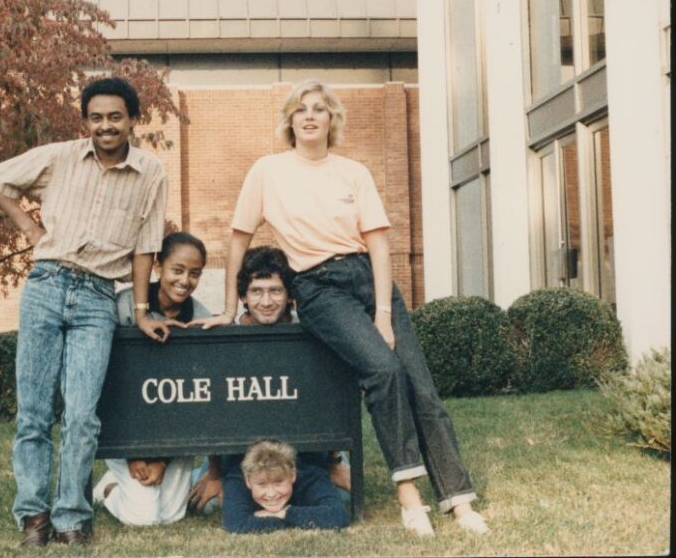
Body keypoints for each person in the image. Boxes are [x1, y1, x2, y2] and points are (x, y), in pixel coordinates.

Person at [196, 80, 489, 536]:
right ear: (290, 121)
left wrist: (384, 314)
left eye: (319, 109)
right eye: (301, 110)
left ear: (332, 120)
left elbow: (377, 243)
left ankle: (459, 501)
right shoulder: (267, 171)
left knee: (422, 390)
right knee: (383, 372)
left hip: (371, 283)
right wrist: (229, 305)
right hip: (318, 287)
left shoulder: (353, 171)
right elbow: (238, 238)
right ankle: (410, 498)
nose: (310, 116)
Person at [0, 77, 173, 547]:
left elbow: (147, 248)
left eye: (115, 117)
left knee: (82, 414)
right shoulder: (61, 155)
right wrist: (28, 227)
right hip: (46, 284)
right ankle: (33, 514)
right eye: (95, 117)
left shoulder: (151, 172)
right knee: (33, 411)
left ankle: (71, 515)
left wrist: (144, 310)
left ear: (132, 119)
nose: (105, 126)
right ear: (85, 120)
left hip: (97, 297)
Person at [188, 246, 351, 514]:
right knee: (213, 506)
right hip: (240, 453)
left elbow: (330, 393)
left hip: (304, 450)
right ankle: (185, 477)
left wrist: (332, 462)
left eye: (275, 290)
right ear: (243, 296)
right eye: (257, 291)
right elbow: (211, 409)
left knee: (340, 499)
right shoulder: (226, 336)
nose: (266, 301)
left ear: (289, 296)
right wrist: (215, 473)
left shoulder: (311, 330)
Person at [92, 231, 210, 526]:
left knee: (172, 515)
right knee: (144, 518)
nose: (185, 281)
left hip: (175, 436)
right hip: (126, 430)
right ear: (158, 267)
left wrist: (163, 460)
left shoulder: (200, 318)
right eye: (178, 270)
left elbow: (197, 400)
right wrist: (130, 453)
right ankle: (107, 488)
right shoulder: (124, 307)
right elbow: (109, 385)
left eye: (194, 274)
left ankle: (135, 482)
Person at [222, 439, 349, 534]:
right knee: (210, 505)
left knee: (345, 497)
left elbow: (338, 516)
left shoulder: (310, 475)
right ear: (248, 480)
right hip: (231, 450)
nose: (271, 494)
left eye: (278, 482)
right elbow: (237, 524)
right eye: (262, 484)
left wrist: (285, 513)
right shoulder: (238, 478)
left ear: (293, 475)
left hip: (313, 450)